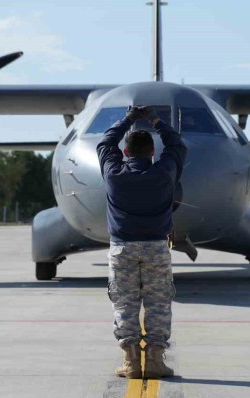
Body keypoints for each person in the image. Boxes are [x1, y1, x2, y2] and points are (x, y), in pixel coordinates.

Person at [96, 105, 187, 379]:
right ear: (152, 152)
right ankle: (156, 360)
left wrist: (129, 119)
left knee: (124, 303)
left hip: (122, 248)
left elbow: (105, 143)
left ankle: (131, 361)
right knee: (158, 303)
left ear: (125, 152)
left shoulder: (114, 174)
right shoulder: (164, 173)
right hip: (156, 247)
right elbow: (176, 145)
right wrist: (155, 120)